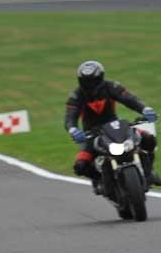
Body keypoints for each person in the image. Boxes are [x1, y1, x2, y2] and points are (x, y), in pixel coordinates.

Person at [65, 60, 159, 192]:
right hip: (91, 134)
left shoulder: (111, 86)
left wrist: (145, 109)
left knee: (148, 139)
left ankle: (149, 172)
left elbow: (129, 99)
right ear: (80, 80)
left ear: (101, 77)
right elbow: (70, 117)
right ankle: (100, 181)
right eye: (86, 81)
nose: (90, 85)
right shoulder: (76, 95)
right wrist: (73, 130)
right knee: (80, 166)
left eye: (93, 80)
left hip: (116, 127)